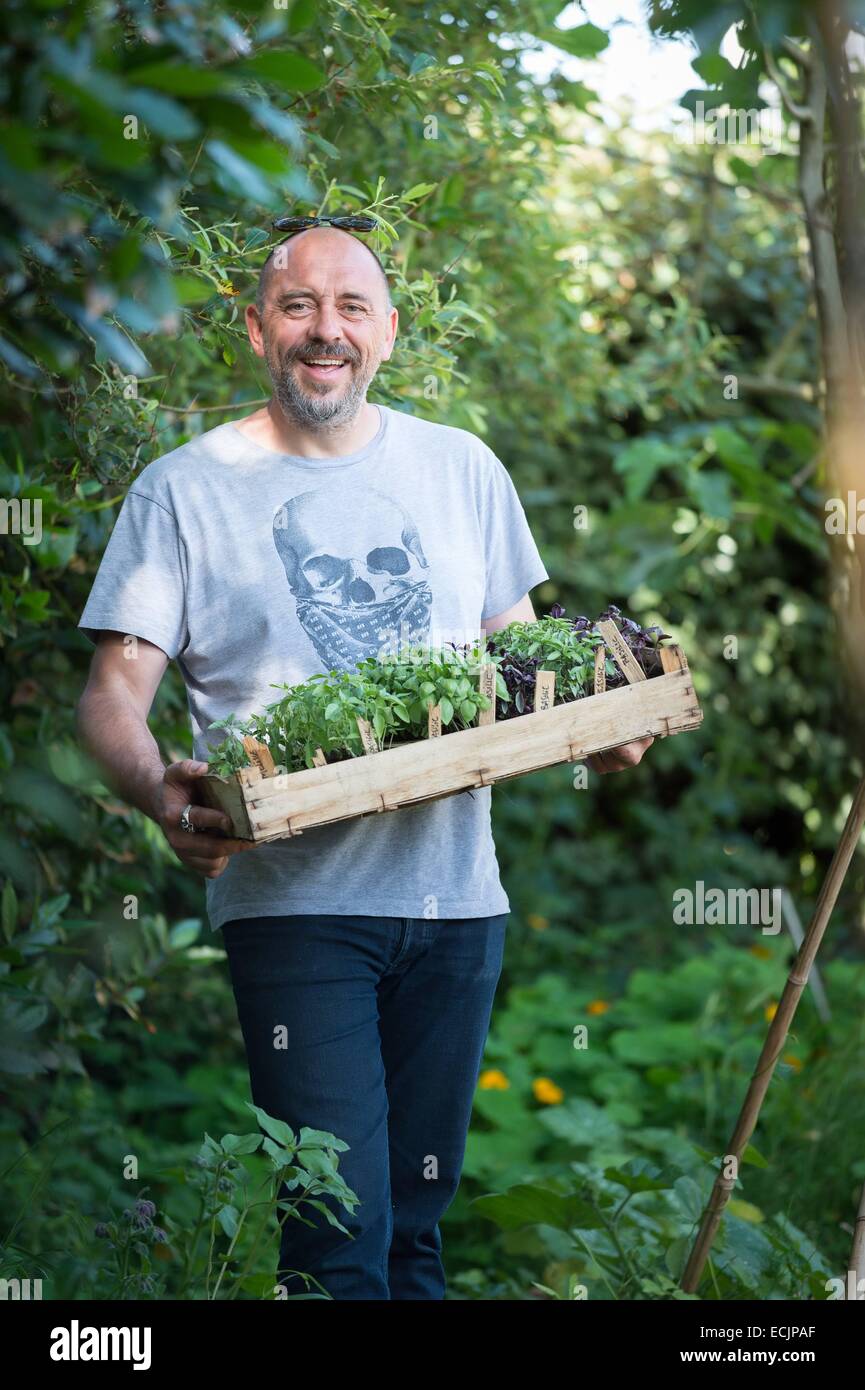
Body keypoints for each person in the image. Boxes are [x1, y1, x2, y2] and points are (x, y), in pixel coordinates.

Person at [75, 218, 652, 1300]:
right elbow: (111, 693)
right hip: (292, 907)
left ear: (386, 330)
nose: (323, 330)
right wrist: (161, 789)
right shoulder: (184, 490)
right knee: (336, 1235)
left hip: (456, 906)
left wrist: (594, 722)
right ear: (256, 329)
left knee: (411, 1236)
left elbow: (522, 662)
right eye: (297, 306)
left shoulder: (460, 467)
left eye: (349, 307)